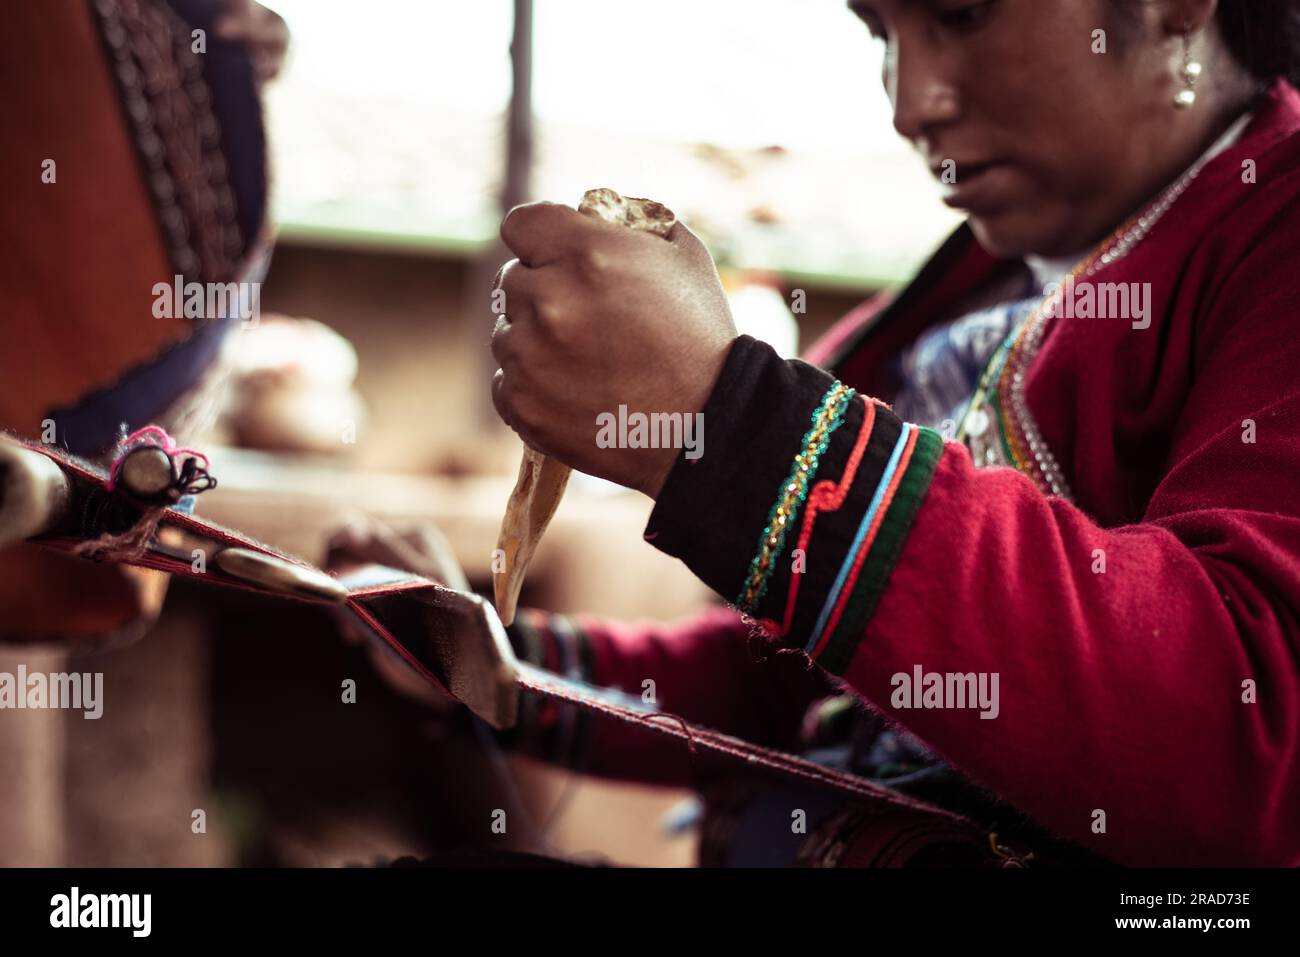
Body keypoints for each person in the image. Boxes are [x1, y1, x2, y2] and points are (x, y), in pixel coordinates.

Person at [486, 0, 1300, 866]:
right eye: (881, 35)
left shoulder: (1274, 237)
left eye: (961, 15)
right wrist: (499, 664)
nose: (909, 104)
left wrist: (736, 426)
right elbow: (804, 685)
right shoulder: (967, 293)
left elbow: (1247, 726)